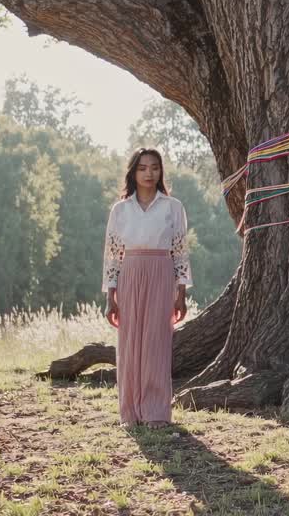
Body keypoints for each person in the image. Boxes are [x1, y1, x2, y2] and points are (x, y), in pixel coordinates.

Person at [102, 148, 193, 427]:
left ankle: (155, 412)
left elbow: (180, 252)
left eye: (154, 167)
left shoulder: (172, 207)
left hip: (161, 274)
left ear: (160, 172)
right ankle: (129, 412)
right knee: (129, 343)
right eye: (142, 168)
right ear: (133, 172)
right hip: (129, 272)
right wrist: (110, 296)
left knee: (156, 343)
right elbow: (112, 254)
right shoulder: (120, 209)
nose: (149, 173)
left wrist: (181, 293)